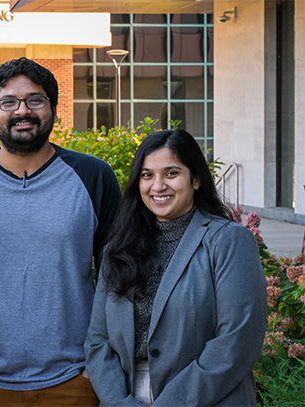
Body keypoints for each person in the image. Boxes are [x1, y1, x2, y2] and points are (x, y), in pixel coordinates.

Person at [0, 57, 122, 406]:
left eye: (35, 100)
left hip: (76, 376)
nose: (23, 111)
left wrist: (95, 365)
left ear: (54, 110)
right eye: (8, 102)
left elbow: (117, 274)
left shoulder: (94, 177)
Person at [85, 129, 267, 406]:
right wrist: (119, 401)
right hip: (126, 394)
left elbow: (236, 342)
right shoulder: (118, 249)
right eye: (147, 175)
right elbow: (98, 341)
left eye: (171, 173)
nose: (157, 186)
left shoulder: (229, 241)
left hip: (208, 396)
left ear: (195, 179)